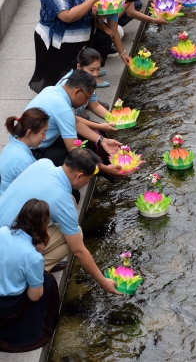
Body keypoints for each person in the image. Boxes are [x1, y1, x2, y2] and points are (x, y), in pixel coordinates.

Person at [0, 150, 122, 294]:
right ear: (79, 176)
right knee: (75, 236)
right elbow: (78, 250)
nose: (87, 182)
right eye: (88, 179)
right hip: (10, 250)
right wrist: (102, 281)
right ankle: (33, 271)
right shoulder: (62, 201)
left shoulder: (43, 163)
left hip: (4, 232)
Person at [29, 0, 104, 93]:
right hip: (58, 43)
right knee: (59, 83)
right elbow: (66, 16)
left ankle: (82, 103)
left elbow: (81, 1)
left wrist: (97, 1)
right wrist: (92, 0)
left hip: (75, 41)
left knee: (75, 79)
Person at [25, 69, 124, 179]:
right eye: (86, 98)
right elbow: (74, 151)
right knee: (75, 163)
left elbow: (75, 122)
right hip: (33, 152)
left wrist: (102, 140)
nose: (86, 103)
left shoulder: (52, 89)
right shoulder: (63, 108)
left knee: (90, 144)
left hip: (42, 139)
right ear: (77, 92)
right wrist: (104, 168)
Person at [0, 200, 60, 353]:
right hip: (7, 308)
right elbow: (34, 296)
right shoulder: (33, 257)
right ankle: (30, 331)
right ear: (43, 225)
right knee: (47, 282)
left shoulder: (3, 231)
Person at [58, 47, 118, 123]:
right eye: (92, 70)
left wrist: (115, 120)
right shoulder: (68, 84)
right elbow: (71, 121)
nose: (96, 74)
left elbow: (95, 106)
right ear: (79, 67)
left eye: (98, 69)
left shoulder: (87, 80)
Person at [0, 109, 49, 196]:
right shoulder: (24, 160)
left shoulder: (13, 142)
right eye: (43, 133)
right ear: (29, 133)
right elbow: (36, 189)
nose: (45, 137)